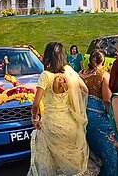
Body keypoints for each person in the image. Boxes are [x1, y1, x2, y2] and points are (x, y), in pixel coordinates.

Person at [28, 42, 91, 175]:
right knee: (70, 162)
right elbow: (85, 89)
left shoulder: (46, 75)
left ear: (48, 56)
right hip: (70, 122)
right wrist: (74, 105)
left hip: (51, 123)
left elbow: (35, 104)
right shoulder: (69, 73)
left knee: (50, 162)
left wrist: (34, 117)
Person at [79, 49, 118, 176]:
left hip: (82, 115)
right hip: (97, 117)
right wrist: (113, 119)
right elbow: (107, 99)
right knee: (111, 151)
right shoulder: (103, 75)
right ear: (103, 61)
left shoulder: (80, 73)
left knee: (92, 150)